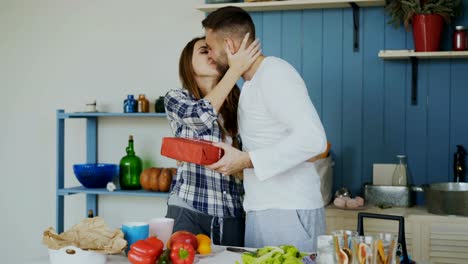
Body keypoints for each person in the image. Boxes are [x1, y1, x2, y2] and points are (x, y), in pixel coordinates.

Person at [203, 6, 328, 252]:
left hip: (288, 210)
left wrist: (246, 160)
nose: (210, 57)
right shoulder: (251, 83)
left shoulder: (275, 74)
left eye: (210, 49)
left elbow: (315, 140)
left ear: (229, 45)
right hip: (265, 208)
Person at [164, 35, 260, 246]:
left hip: (232, 213)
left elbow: (249, 160)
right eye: (203, 50)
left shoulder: (239, 104)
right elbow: (200, 117)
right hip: (188, 208)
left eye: (213, 50)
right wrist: (235, 70)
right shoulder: (176, 97)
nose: (211, 54)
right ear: (187, 63)